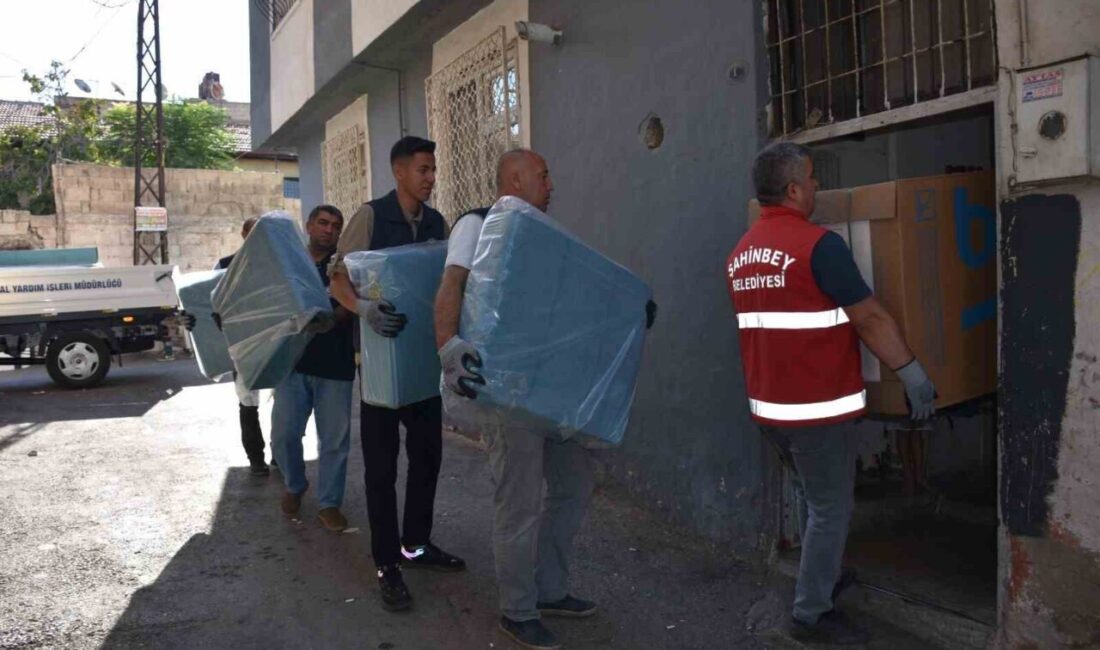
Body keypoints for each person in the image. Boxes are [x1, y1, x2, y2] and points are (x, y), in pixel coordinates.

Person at [435, 149, 655, 650]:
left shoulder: (543, 237)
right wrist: (448, 346)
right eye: (543, 175)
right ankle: (517, 610)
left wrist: (631, 309)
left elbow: (583, 301)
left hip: (551, 392)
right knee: (518, 503)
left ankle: (550, 589)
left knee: (573, 487)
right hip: (503, 392)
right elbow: (451, 284)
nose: (551, 184)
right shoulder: (478, 225)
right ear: (514, 179)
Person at [726, 142, 937, 645]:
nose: (818, 186)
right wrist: (912, 374)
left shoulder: (741, 254)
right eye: (814, 178)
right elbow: (869, 316)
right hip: (816, 410)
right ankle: (810, 614)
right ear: (794, 189)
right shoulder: (818, 246)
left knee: (810, 497)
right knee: (830, 507)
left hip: (769, 410)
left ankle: (817, 576)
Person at [329, 136, 466, 613]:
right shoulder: (370, 216)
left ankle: (417, 544)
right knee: (382, 471)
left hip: (422, 366)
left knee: (428, 459)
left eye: (433, 170)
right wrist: (364, 308)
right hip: (382, 372)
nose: (431, 178)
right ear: (400, 172)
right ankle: (387, 563)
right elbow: (337, 277)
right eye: (424, 169)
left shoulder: (436, 223)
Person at [270, 205, 357, 532]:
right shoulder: (291, 264)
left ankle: (329, 504)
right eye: (323, 223)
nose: (329, 230)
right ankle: (295, 484)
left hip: (335, 365)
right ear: (309, 225)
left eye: (336, 225)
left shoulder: (345, 267)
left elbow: (352, 304)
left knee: (334, 441)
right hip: (293, 365)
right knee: (283, 435)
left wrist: (332, 318)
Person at [182, 216, 270, 476]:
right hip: (239, 346)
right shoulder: (224, 266)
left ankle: (280, 455)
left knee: (282, 405)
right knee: (248, 404)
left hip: (271, 341)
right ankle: (256, 459)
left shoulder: (275, 265)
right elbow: (203, 303)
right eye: (252, 233)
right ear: (243, 234)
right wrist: (192, 320)